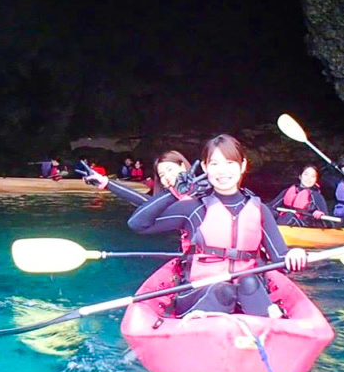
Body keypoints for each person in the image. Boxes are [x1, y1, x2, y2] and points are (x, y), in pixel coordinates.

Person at [128, 134, 307, 318]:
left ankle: (266, 324)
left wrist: (295, 255)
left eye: (230, 163)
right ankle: (202, 322)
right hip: (199, 292)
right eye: (215, 164)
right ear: (205, 167)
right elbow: (138, 224)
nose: (223, 171)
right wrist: (174, 193)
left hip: (249, 292)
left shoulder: (260, 210)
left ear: (243, 165)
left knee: (249, 282)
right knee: (224, 290)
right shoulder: (192, 208)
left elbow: (280, 260)